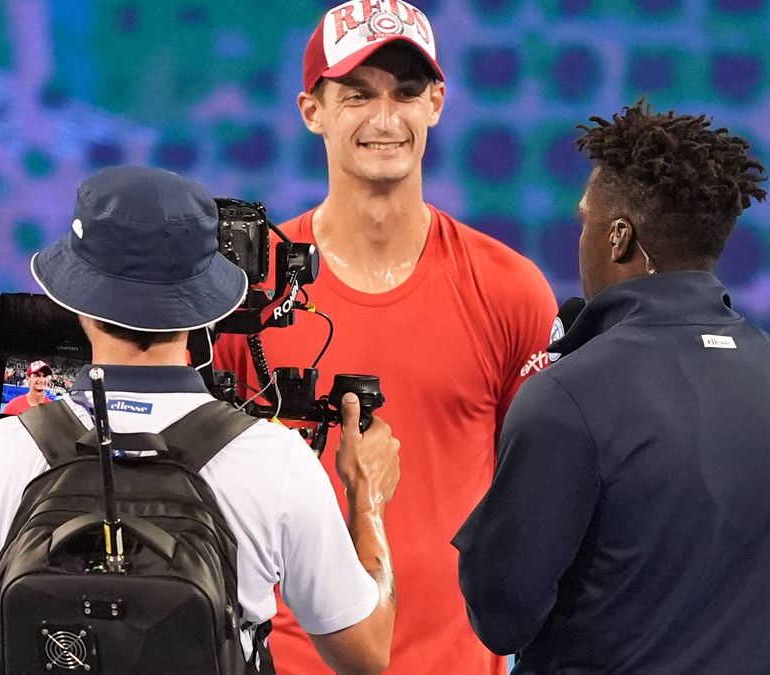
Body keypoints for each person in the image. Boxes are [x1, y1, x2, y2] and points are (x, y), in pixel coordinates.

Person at [0, 166, 402, 675]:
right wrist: (368, 498)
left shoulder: (5, 447)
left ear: (76, 300)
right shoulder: (277, 461)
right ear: (207, 307)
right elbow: (367, 655)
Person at [214, 2, 558, 673]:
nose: (384, 118)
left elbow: (543, 494)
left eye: (405, 93)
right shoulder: (244, 295)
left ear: (436, 102)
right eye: (357, 94)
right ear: (311, 110)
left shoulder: (510, 289)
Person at [452, 101, 770, 674]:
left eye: (585, 220)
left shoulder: (566, 397)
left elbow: (501, 614)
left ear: (619, 237)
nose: (580, 237)